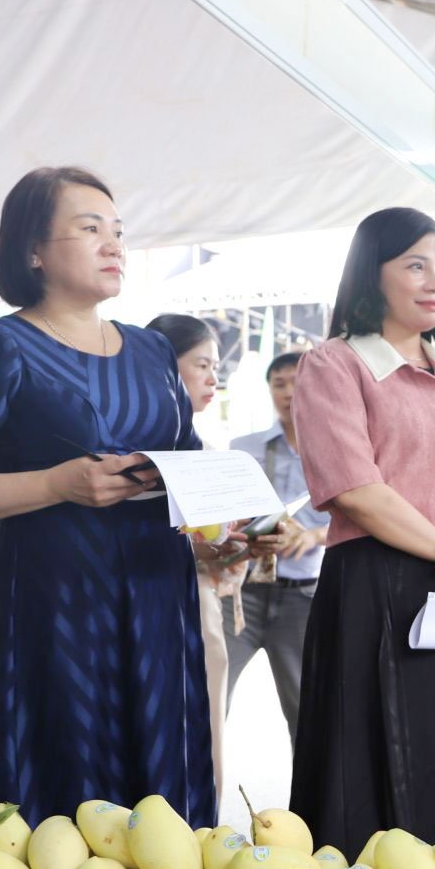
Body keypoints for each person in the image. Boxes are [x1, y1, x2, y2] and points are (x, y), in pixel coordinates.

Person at [0, 167, 216, 828]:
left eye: (118, 232)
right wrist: (55, 483)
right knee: (66, 796)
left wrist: (231, 531)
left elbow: (188, 464)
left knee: (165, 796)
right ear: (33, 250)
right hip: (56, 602)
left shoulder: (153, 351)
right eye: (90, 229)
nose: (113, 245)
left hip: (159, 599)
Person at [287, 207, 435, 853]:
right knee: (373, 764)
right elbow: (357, 491)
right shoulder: (334, 366)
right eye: (416, 264)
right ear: (374, 275)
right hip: (378, 585)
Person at [145, 312, 272, 797]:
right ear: (162, 366)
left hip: (199, 608)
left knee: (202, 733)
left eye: (215, 366)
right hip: (167, 610)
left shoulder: (203, 452)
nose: (213, 377)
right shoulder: (139, 451)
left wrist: (236, 543)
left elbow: (211, 543)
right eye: (201, 364)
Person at [227, 350, 332, 745]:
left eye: (298, 381)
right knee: (206, 698)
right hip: (242, 593)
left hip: (303, 597)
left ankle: (306, 808)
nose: (288, 392)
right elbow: (222, 515)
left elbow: (356, 516)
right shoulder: (243, 448)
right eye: (279, 383)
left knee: (306, 712)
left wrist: (311, 536)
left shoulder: (338, 450)